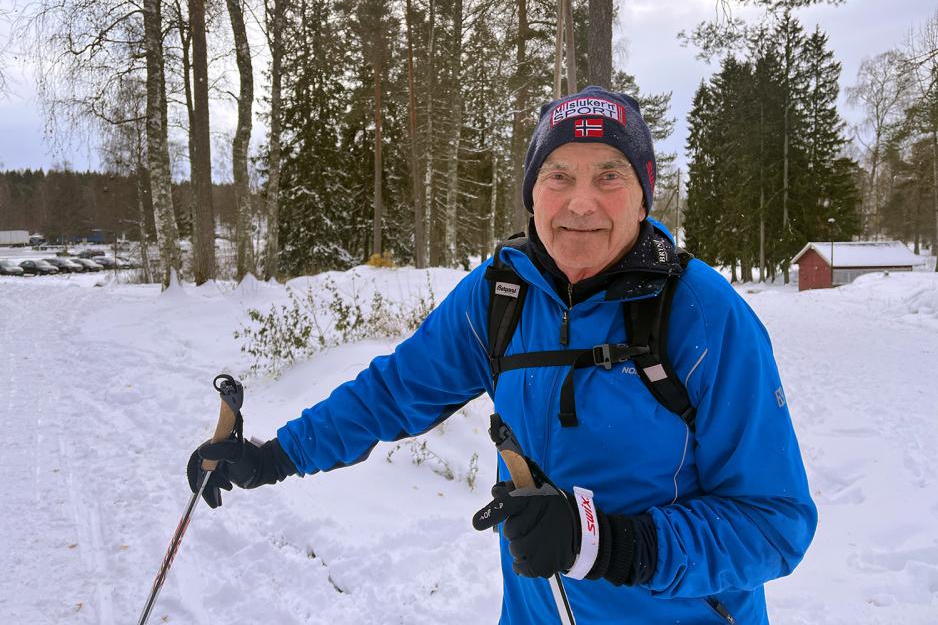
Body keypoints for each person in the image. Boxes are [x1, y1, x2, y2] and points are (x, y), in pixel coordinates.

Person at [188, 86, 817, 624]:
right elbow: (390, 394)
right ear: (532, 192)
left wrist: (608, 544)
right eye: (559, 175)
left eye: (609, 175)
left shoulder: (701, 313)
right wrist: (271, 458)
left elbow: (774, 522)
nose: (580, 202)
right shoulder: (499, 297)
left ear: (644, 191)